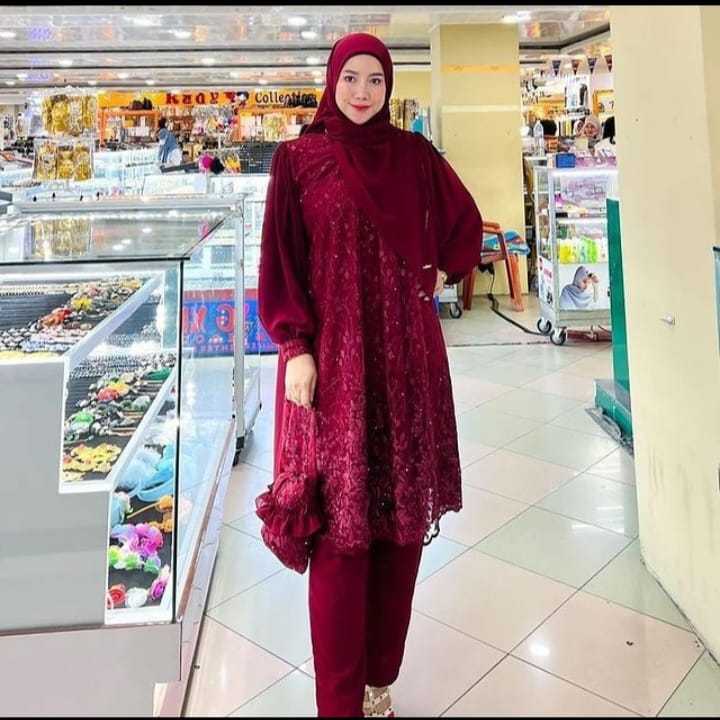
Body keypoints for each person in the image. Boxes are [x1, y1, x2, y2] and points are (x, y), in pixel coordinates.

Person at [258, 33, 483, 718]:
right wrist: (296, 346)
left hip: (405, 361)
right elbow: (281, 260)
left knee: (398, 529)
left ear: (389, 87)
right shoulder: (299, 161)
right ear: (332, 81)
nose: (362, 92)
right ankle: (338, 702)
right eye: (350, 78)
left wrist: (435, 273)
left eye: (375, 80)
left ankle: (379, 680)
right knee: (339, 534)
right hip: (332, 369)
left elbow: (463, 226)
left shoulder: (413, 156)